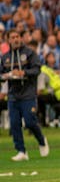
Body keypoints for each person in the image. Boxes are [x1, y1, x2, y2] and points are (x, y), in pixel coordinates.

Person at [1, 30, 49, 161]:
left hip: (28, 94)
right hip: (13, 95)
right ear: (8, 40)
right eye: (12, 37)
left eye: (17, 37)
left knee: (30, 122)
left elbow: (37, 69)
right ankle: (21, 151)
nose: (15, 39)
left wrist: (23, 73)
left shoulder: (29, 53)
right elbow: (1, 74)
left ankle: (41, 140)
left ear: (21, 39)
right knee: (15, 124)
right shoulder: (5, 57)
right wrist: (5, 76)